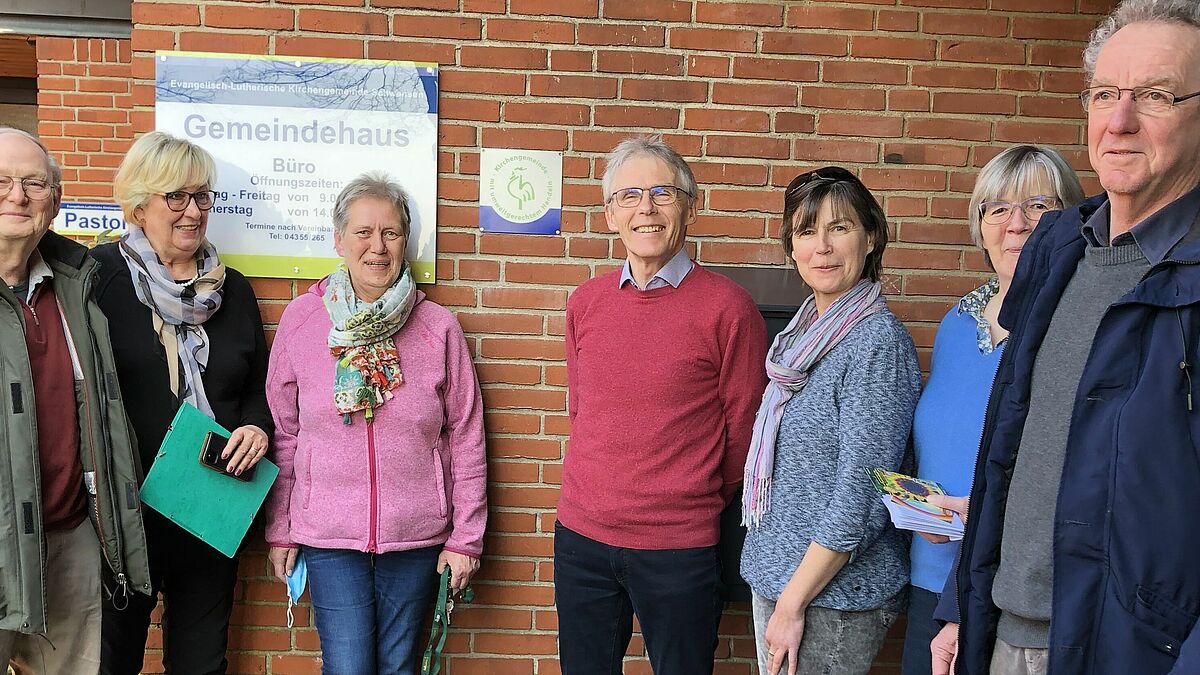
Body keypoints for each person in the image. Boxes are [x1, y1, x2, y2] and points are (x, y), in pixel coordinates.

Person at [931, 1, 1200, 673]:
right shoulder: (1057, 246)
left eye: (1157, 95)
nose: (1119, 120)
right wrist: (959, 599)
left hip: (1129, 652)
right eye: (1105, 93)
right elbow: (1010, 443)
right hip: (1004, 633)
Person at [556, 135, 767, 674]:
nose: (645, 209)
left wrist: (685, 491)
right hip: (582, 537)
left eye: (661, 193)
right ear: (608, 215)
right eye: (628, 196)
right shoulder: (585, 304)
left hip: (680, 544)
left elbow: (744, 431)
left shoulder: (730, 310)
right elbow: (581, 412)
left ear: (690, 207)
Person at [264, 171, 487, 674]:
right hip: (328, 537)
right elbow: (284, 434)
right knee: (347, 667)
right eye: (363, 232)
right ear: (338, 239)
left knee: (399, 668)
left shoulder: (438, 328)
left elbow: (467, 437)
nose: (377, 247)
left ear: (405, 241)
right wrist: (281, 529)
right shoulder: (302, 322)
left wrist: (465, 539)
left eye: (390, 233)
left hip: (416, 536)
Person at [899, 145, 1084, 675]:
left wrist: (976, 509)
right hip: (930, 576)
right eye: (997, 208)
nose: (1016, 225)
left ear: (1070, 220)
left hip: (1011, 589)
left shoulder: (1071, 327)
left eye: (1038, 206)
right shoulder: (958, 322)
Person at [94, 131, 273, 674]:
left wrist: (257, 430)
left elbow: (257, 392)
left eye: (202, 196)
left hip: (210, 502)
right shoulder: (98, 278)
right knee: (111, 660)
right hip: (124, 511)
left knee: (201, 664)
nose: (193, 211)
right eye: (177, 197)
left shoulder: (233, 290)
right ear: (139, 203)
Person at [739, 166, 921, 675]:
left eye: (839, 228)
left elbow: (861, 494)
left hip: (830, 598)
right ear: (791, 247)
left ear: (871, 238)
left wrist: (793, 602)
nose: (822, 246)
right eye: (806, 230)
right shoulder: (798, 341)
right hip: (778, 578)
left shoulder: (875, 344)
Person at [0, 128, 150, 674]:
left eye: (34, 183)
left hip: (69, 539)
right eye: (3, 181)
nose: (17, 195)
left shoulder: (75, 286)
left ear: (55, 202)